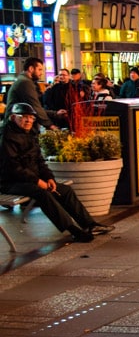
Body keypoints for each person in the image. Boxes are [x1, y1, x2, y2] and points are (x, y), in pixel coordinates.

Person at [0, 103, 114, 243]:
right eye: (24, 117)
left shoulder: (30, 133)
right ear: (13, 117)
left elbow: (39, 160)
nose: (28, 121)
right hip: (10, 182)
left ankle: (89, 224)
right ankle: (72, 229)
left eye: (31, 118)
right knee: (42, 193)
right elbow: (13, 167)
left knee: (65, 190)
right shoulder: (6, 137)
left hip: (31, 178)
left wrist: (49, 178)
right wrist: (37, 181)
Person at [4, 57, 56, 130]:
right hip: (16, 130)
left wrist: (55, 114)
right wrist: (50, 125)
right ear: (31, 69)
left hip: (18, 128)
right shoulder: (25, 83)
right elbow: (35, 107)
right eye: (40, 70)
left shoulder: (25, 81)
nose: (41, 73)